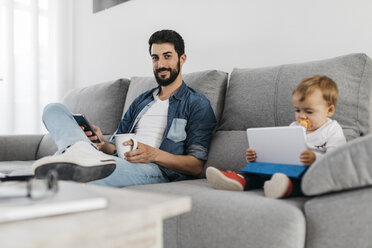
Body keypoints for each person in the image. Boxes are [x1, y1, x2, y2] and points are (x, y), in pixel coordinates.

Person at [32, 29, 217, 187]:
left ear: (182, 58)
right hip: (119, 160)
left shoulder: (196, 103)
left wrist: (154, 154)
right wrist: (101, 143)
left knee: (101, 166)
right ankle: (82, 150)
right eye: (155, 58)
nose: (160, 64)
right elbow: (116, 147)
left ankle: (77, 154)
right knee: (54, 109)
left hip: (154, 169)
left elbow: (196, 166)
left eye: (167, 56)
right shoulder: (141, 101)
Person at [206, 75, 346, 198]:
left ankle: (285, 187)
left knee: (308, 180)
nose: (302, 116)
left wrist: (315, 158)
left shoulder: (332, 129)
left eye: (309, 111)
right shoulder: (294, 127)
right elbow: (280, 152)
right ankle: (240, 180)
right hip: (286, 169)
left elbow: (337, 158)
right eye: (297, 110)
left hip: (312, 172)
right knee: (259, 169)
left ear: (329, 110)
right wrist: (256, 156)